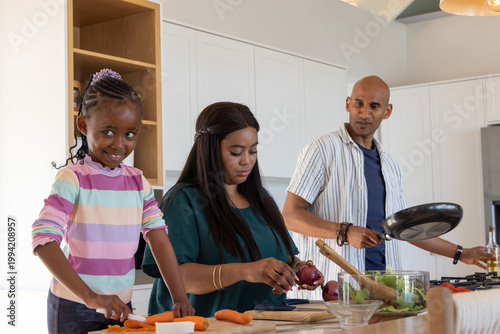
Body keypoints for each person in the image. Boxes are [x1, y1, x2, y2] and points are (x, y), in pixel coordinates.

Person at [282, 75, 494, 299]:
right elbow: (290, 215)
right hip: (334, 295)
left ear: (387, 111)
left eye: (374, 106)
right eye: (359, 104)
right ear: (347, 104)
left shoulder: (390, 165)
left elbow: (405, 230)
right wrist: (345, 231)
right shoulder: (321, 150)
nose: (364, 114)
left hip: (384, 292)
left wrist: (461, 253)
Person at [31, 69, 194, 334]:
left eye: (130, 134)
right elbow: (43, 239)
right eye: (108, 131)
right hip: (75, 305)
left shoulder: (139, 183)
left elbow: (159, 239)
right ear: (83, 126)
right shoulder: (72, 179)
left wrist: (179, 297)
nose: (119, 144)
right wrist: (91, 297)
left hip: (121, 307)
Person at [142, 102, 324, 317]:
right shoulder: (184, 201)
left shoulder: (262, 200)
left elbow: (284, 257)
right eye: (236, 152)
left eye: (253, 151)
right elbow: (175, 275)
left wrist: (297, 270)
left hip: (264, 327)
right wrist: (246, 271)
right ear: (209, 149)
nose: (247, 161)